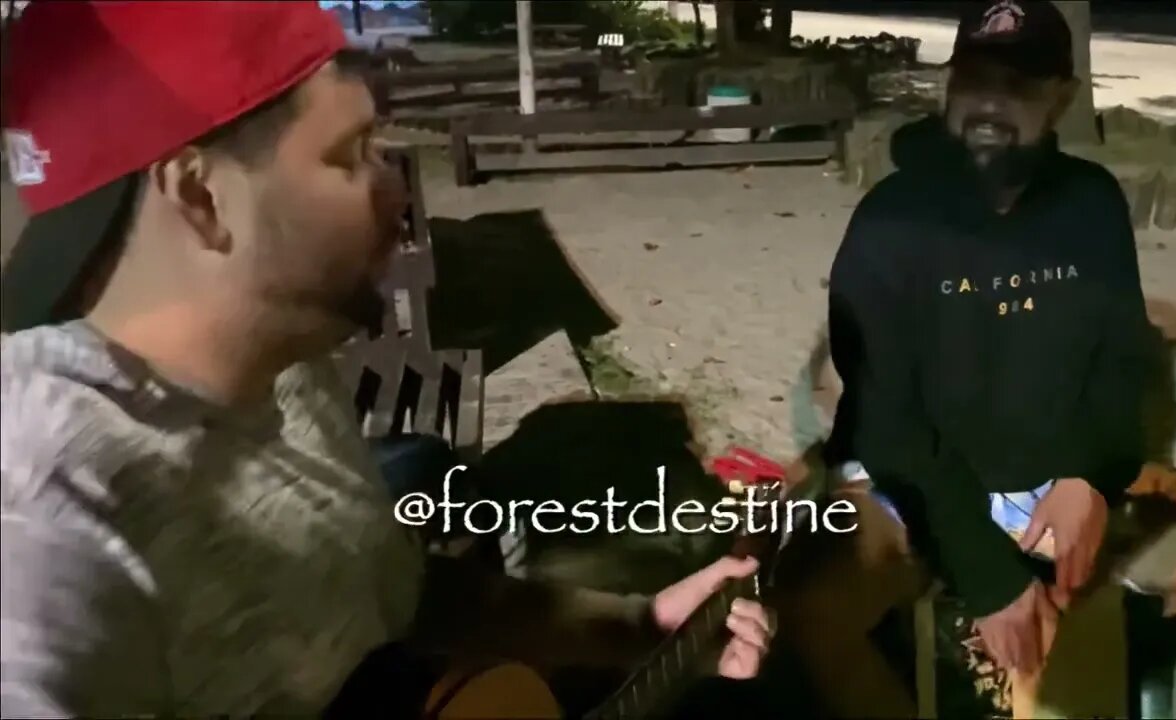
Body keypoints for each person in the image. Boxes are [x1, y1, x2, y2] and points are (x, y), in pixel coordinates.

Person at [0, 3, 771, 717]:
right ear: (201, 197)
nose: (395, 188)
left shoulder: (286, 371)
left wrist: (640, 626)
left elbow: (387, 593)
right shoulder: (45, 528)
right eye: (351, 154)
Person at [821, 0, 1152, 707]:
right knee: (808, 608)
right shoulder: (888, 222)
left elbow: (1123, 362)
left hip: (1051, 484)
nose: (993, 103)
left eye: (1023, 85)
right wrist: (989, 575)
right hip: (909, 486)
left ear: (1062, 95)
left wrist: (1087, 479)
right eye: (977, 78)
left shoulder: (1093, 206)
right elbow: (887, 422)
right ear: (950, 84)